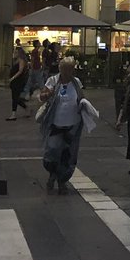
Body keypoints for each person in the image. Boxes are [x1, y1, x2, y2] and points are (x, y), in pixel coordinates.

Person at [39, 56, 87, 193]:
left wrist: (83, 105)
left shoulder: (76, 82)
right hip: (56, 124)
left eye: (70, 69)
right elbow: (42, 96)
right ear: (60, 69)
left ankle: (62, 180)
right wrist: (48, 94)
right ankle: (52, 174)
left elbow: (82, 97)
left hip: (73, 123)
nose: (67, 72)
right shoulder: (53, 81)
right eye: (65, 69)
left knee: (68, 154)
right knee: (52, 151)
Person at [5, 46, 30, 121]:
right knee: (14, 97)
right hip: (14, 81)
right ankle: (15, 113)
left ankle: (19, 111)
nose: (14, 54)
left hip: (18, 81)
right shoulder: (15, 60)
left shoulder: (21, 60)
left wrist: (12, 78)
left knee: (16, 97)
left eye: (15, 52)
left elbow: (20, 71)